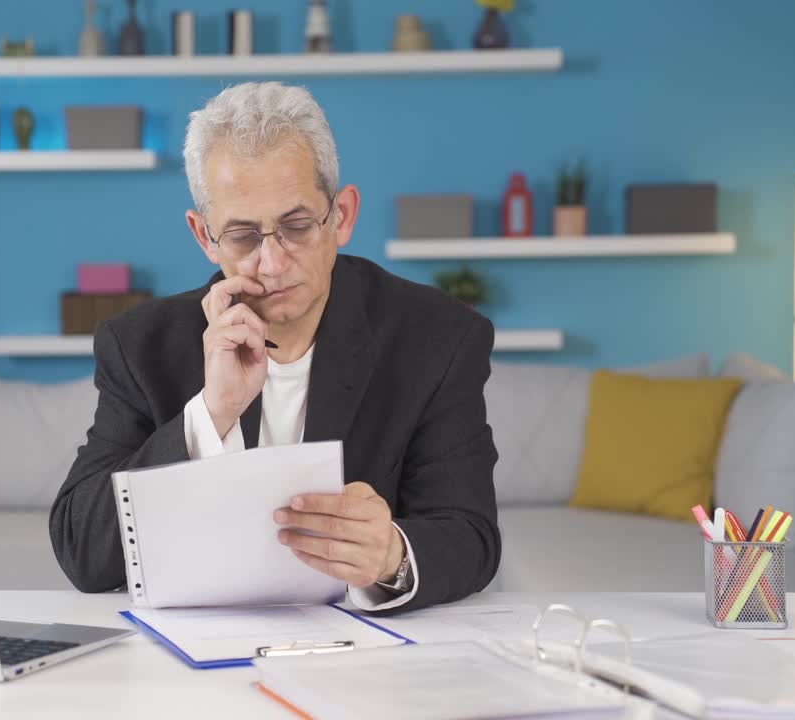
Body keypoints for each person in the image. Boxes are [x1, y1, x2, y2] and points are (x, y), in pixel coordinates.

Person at [50, 81, 499, 613]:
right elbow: (83, 551)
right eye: (242, 236)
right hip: (186, 657)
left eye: (296, 225)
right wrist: (209, 414)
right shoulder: (139, 345)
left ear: (342, 216)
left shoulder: (438, 337)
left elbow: (471, 534)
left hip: (364, 655)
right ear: (204, 236)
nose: (272, 262)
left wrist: (391, 557)